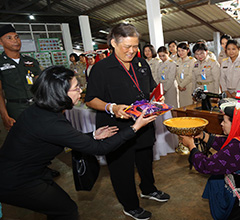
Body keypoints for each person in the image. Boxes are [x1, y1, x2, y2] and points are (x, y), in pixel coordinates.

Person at [0, 65, 156, 220]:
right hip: (16, 180)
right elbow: (100, 149)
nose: (80, 91)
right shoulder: (51, 122)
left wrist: (93, 135)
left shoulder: (42, 110)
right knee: (66, 211)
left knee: (59, 208)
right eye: (76, 88)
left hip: (29, 171)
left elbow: (59, 138)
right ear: (60, 93)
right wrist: (135, 127)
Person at [85, 23, 170, 220]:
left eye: (135, 46)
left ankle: (148, 189)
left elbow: (149, 89)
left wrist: (157, 99)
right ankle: (130, 205)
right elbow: (91, 99)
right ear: (113, 43)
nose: (132, 51)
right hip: (117, 127)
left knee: (145, 159)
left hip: (143, 123)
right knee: (121, 167)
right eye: (126, 47)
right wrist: (112, 107)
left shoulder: (141, 64)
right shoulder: (101, 68)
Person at [0, 24, 41, 130]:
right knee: (23, 139)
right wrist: (5, 116)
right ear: (1, 42)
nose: (15, 41)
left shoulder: (32, 61)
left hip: (37, 105)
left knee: (44, 135)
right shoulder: (1, 62)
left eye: (16, 37)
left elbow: (41, 84)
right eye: (9, 38)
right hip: (16, 108)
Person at [176, 42, 196, 107]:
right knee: (182, 106)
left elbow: (190, 75)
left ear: (187, 51)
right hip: (180, 88)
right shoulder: (177, 61)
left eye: (182, 50)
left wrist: (182, 85)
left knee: (189, 106)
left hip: (188, 87)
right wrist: (179, 85)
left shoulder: (192, 60)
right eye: (179, 51)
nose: (180, 53)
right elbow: (176, 74)